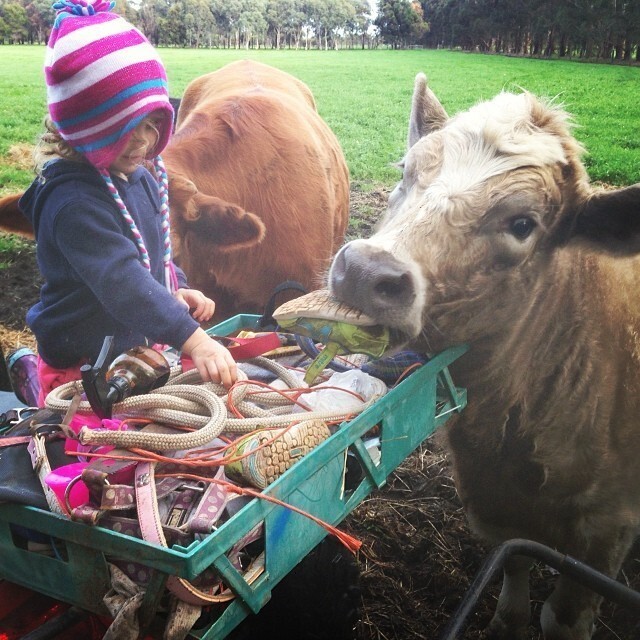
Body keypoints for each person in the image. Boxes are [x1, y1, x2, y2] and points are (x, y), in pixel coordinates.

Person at [19, 0, 237, 405]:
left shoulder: (140, 174)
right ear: (85, 126)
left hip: (126, 354)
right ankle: (35, 386)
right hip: (82, 364)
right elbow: (123, 282)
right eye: (126, 128)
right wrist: (195, 341)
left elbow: (147, 252)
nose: (144, 141)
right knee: (92, 451)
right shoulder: (72, 203)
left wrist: (175, 287)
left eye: (152, 123)